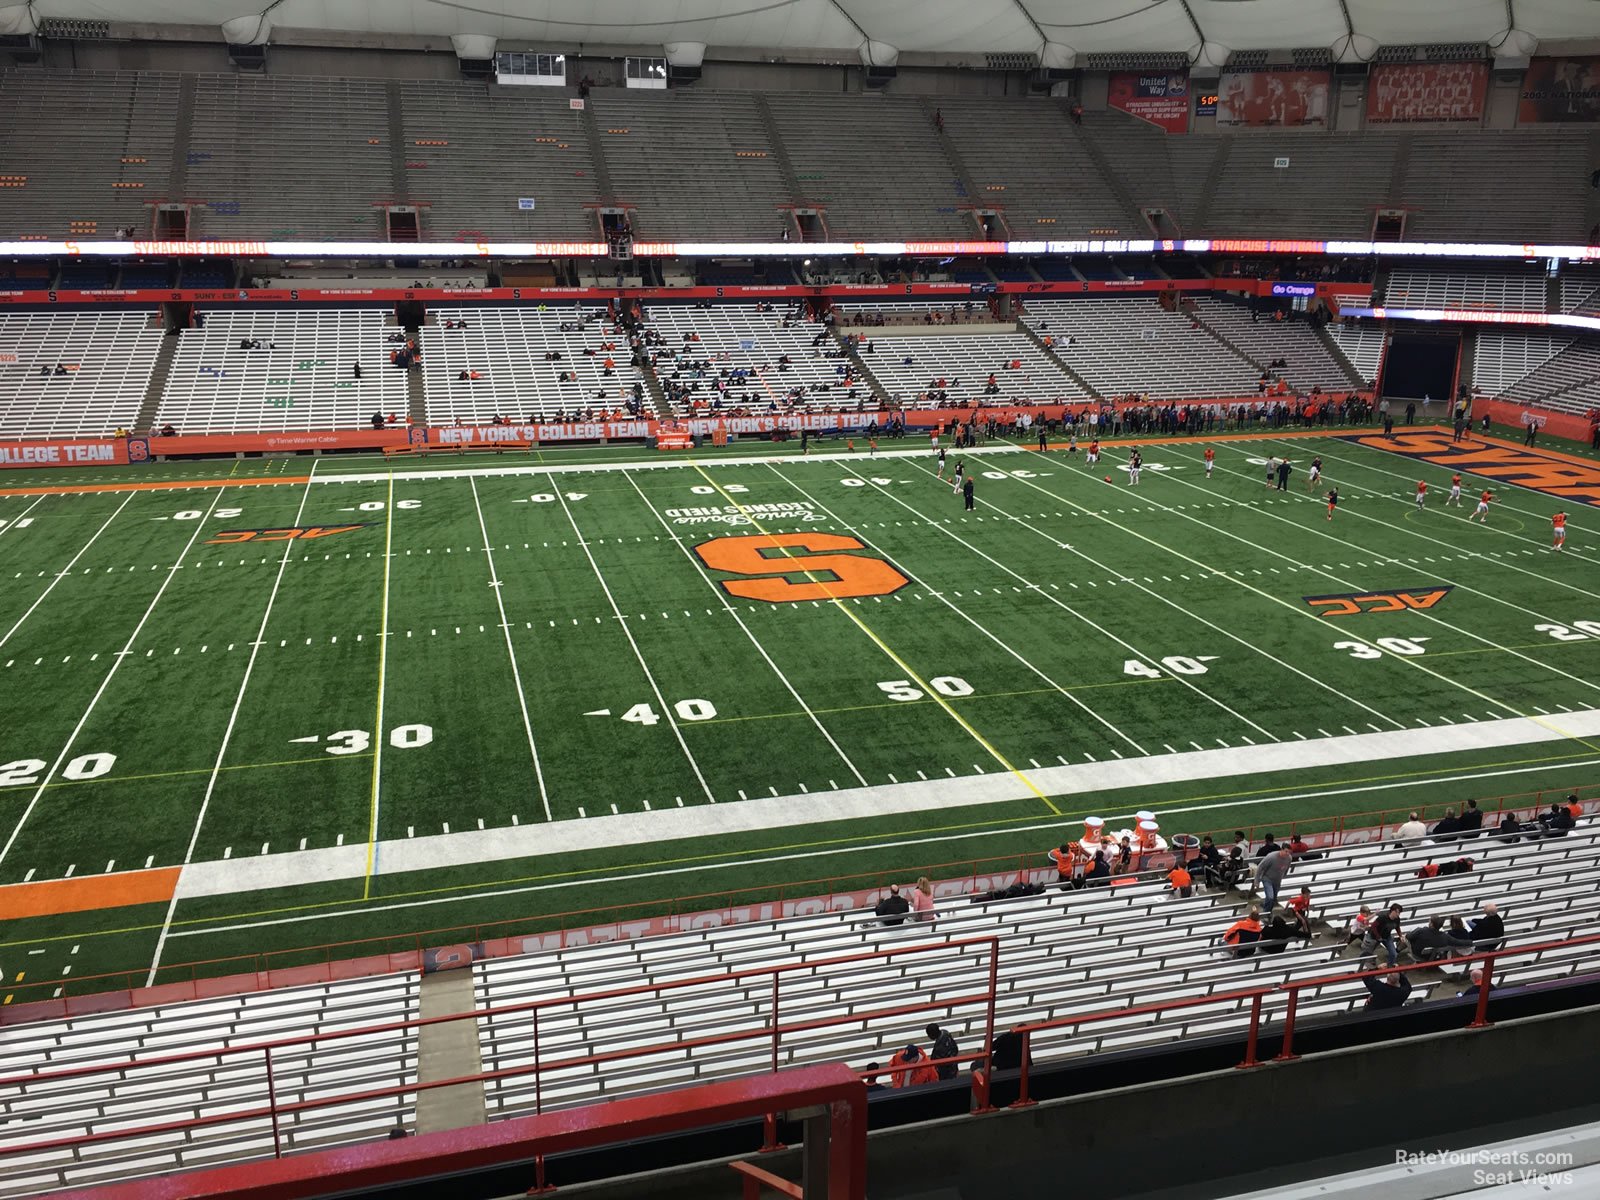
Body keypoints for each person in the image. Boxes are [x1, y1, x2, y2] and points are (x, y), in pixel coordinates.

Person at [1255, 845, 1292, 910]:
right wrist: (1257, 881)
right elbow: (1260, 867)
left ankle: (1267, 908)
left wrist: (1283, 875)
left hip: (1277, 880)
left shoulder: (1289, 858)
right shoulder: (1271, 857)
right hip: (1267, 878)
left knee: (1273, 899)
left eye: (1289, 852)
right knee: (1270, 897)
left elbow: (1287, 867)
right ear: (1281, 850)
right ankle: (1266, 913)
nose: (1287, 854)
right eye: (1286, 851)